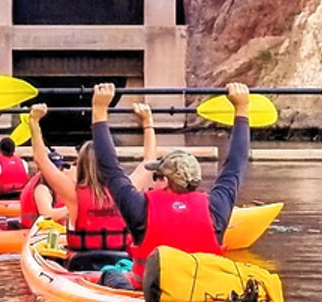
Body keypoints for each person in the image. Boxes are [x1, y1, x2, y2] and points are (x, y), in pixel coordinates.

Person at [88, 80, 251, 261]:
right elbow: (236, 163)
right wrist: (242, 110)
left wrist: (99, 111)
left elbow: (109, 167)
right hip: (203, 286)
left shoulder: (140, 207)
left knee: (110, 273)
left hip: (149, 288)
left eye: (157, 176)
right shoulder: (216, 206)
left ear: (166, 179)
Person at [18, 102, 138, 272]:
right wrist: (148, 124)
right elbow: (148, 161)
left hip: (82, 265)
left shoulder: (73, 194)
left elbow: (41, 160)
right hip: (121, 262)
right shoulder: (125, 190)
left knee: (51, 263)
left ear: (81, 164)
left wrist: (34, 122)